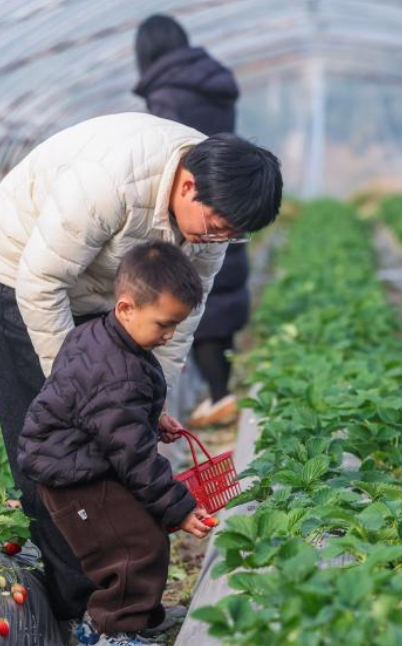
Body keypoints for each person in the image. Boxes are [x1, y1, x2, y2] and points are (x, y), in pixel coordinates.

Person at [0, 112, 281, 621]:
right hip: (21, 268)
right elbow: (41, 284)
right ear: (188, 184)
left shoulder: (213, 221)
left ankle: (121, 589)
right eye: (219, 225)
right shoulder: (108, 182)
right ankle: (82, 608)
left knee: (116, 425)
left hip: (106, 281)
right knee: (55, 439)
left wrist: (150, 401)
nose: (219, 237)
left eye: (235, 234)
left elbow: (184, 315)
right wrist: (78, 388)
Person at [18, 242, 215, 646]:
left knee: (140, 537)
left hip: (84, 461)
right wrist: (178, 507)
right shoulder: (115, 372)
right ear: (126, 307)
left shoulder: (105, 338)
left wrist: (152, 416)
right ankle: (107, 641)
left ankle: (135, 620)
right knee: (134, 546)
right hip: (73, 478)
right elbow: (133, 455)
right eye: (163, 325)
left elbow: (116, 418)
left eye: (175, 325)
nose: (168, 336)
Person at [134, 14, 248, 427]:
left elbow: (167, 155)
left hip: (194, 207)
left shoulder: (169, 94)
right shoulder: (214, 84)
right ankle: (220, 392)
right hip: (226, 199)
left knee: (193, 300)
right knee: (217, 298)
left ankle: (217, 397)